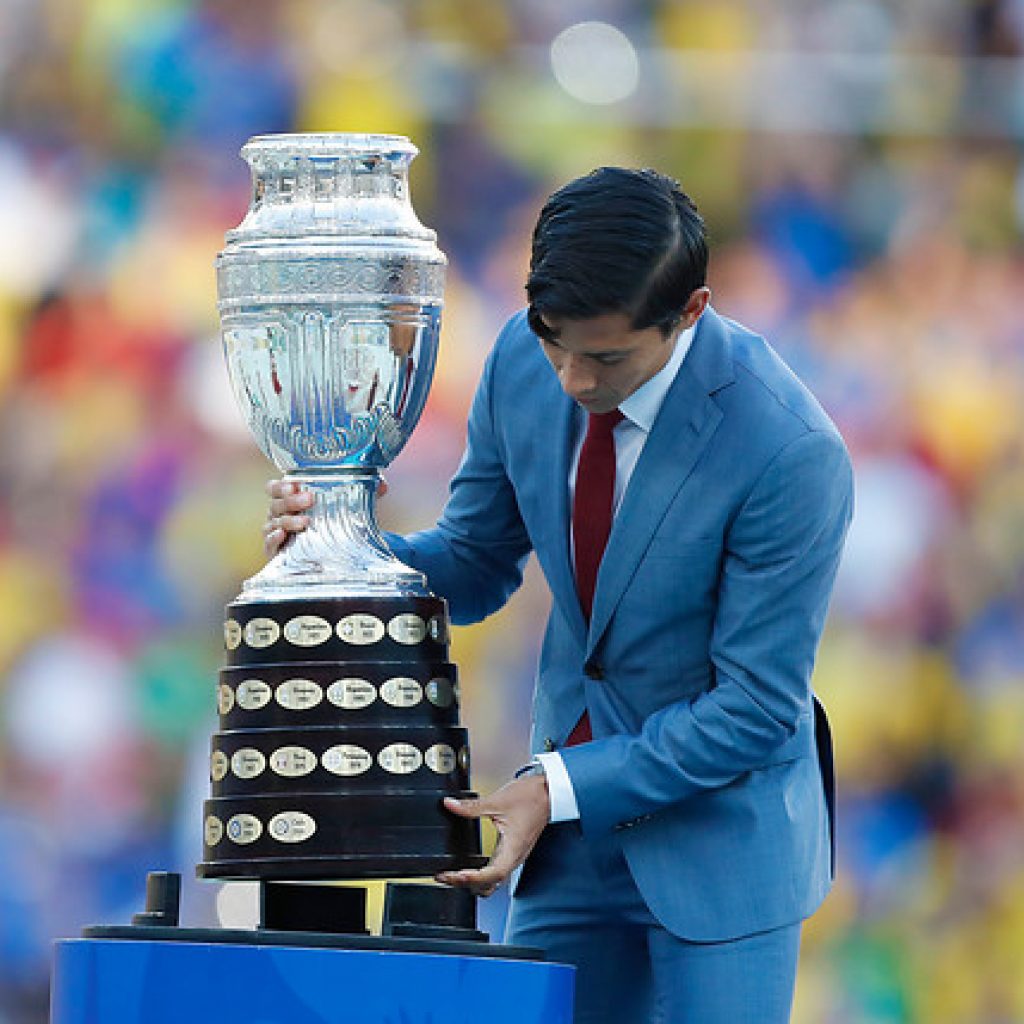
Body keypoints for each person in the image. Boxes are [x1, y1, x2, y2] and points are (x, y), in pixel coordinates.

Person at [265, 167, 854, 1024]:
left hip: (719, 854)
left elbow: (757, 710)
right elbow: (472, 562)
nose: (574, 378)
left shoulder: (787, 449)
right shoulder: (516, 356)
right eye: (556, 343)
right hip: (561, 840)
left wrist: (559, 785)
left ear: (689, 311)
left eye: (606, 356)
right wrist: (344, 552)